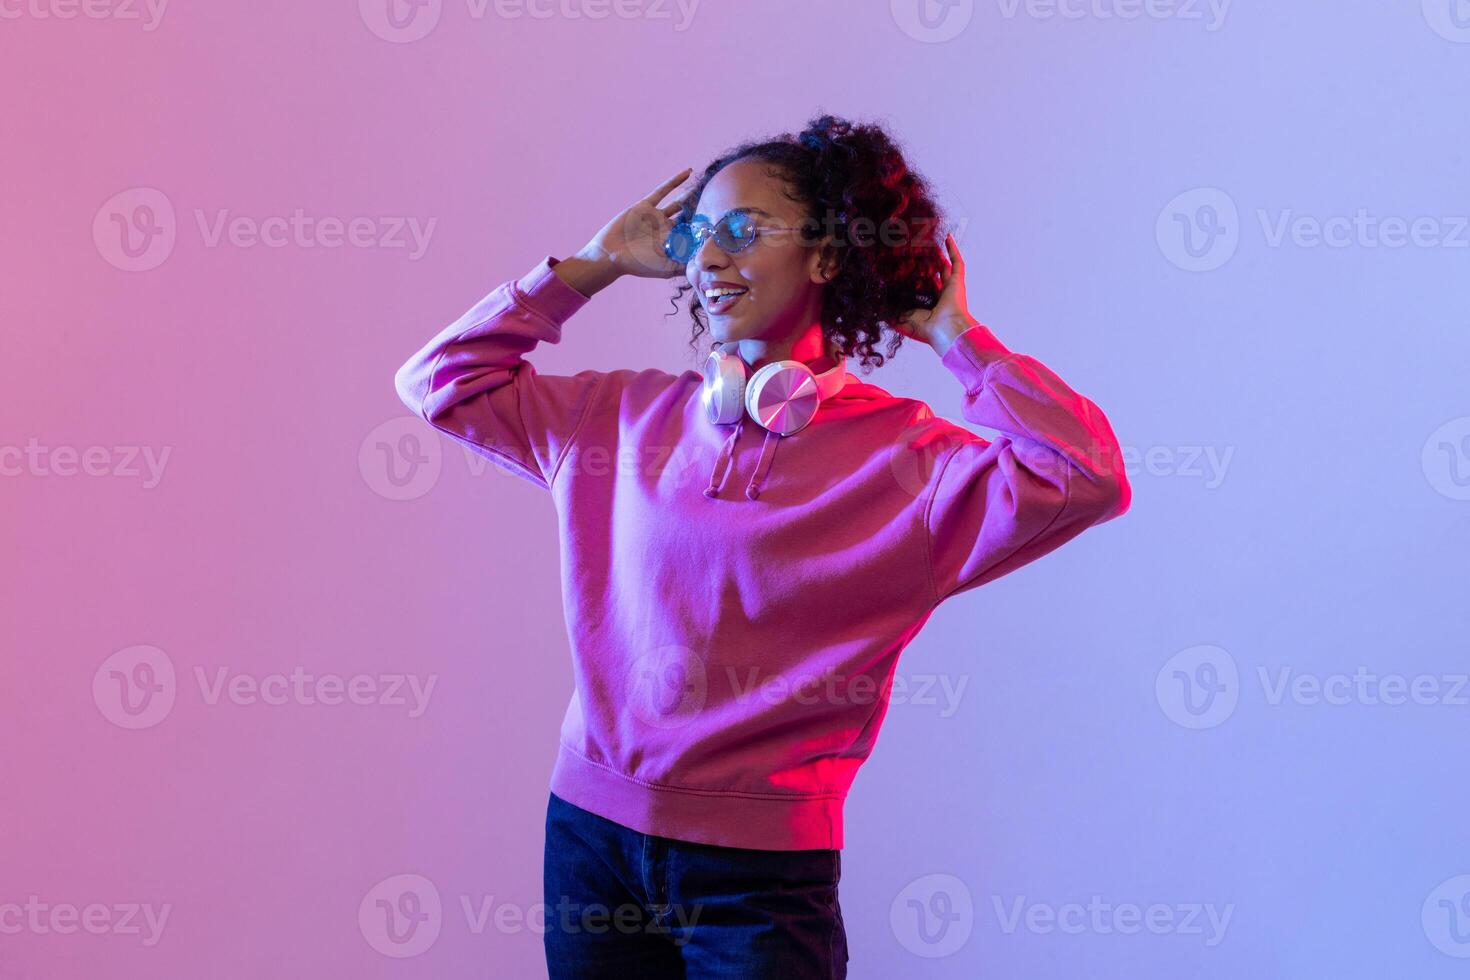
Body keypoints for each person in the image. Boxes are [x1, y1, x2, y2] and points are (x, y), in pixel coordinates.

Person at [393, 113, 1131, 978]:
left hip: (759, 881)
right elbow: (439, 383)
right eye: (699, 235)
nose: (709, 258)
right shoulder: (614, 420)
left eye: (744, 232)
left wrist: (956, 340)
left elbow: (1086, 473)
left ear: (826, 257)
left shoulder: (913, 464)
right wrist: (591, 267)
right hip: (589, 846)